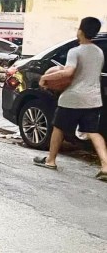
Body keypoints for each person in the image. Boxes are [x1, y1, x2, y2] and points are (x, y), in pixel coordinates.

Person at [34, 16, 107, 181]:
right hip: (93, 99)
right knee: (93, 132)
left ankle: (51, 160)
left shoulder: (75, 51)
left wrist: (45, 78)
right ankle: (105, 166)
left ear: (80, 31)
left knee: (58, 128)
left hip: (72, 98)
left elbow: (68, 72)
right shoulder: (99, 52)